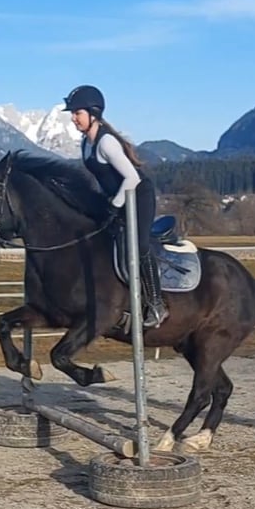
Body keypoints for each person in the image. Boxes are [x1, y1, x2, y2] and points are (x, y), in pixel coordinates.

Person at [62, 84, 169, 328]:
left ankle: (156, 303)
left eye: (77, 113)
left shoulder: (106, 142)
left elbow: (132, 178)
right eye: (73, 113)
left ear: (93, 113)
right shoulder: (86, 144)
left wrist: (115, 204)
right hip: (117, 198)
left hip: (138, 195)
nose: (73, 118)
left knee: (139, 245)